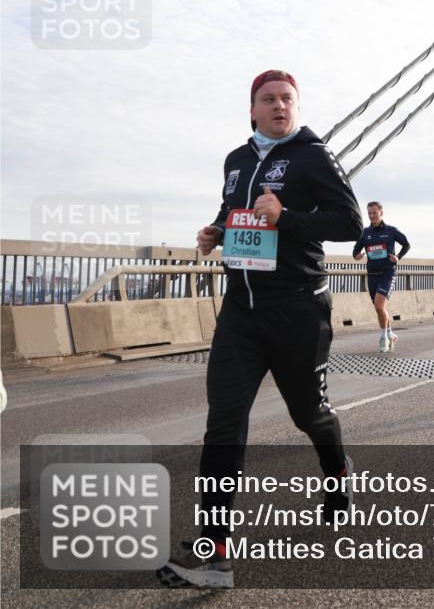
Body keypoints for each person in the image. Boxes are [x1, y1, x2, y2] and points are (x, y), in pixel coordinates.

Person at [159, 70, 365, 589]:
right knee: (223, 427)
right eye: (268, 100)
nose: (279, 106)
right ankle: (215, 552)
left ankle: (338, 478)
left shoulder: (314, 157)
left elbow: (349, 224)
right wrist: (216, 230)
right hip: (241, 316)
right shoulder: (236, 159)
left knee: (310, 415)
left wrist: (287, 216)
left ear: (297, 108)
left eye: (287, 100)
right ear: (252, 109)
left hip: (298, 311)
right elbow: (235, 213)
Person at [353, 201, 410, 352]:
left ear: (381, 213)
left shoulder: (391, 231)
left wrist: (398, 257)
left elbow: (406, 244)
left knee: (379, 305)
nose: (372, 216)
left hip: (387, 273)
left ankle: (383, 338)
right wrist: (357, 256)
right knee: (380, 309)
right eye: (369, 213)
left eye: (374, 213)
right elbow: (355, 252)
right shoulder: (365, 233)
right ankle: (391, 334)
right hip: (372, 275)